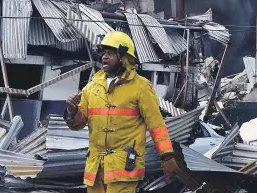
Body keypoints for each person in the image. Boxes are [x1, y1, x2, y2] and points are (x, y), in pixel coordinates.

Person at [65, 31, 179, 193]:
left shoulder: (141, 87)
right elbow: (78, 124)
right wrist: (71, 111)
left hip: (124, 168)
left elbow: (156, 125)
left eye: (110, 53)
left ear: (124, 57)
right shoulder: (91, 87)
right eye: (103, 52)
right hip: (95, 168)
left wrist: (167, 157)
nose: (104, 56)